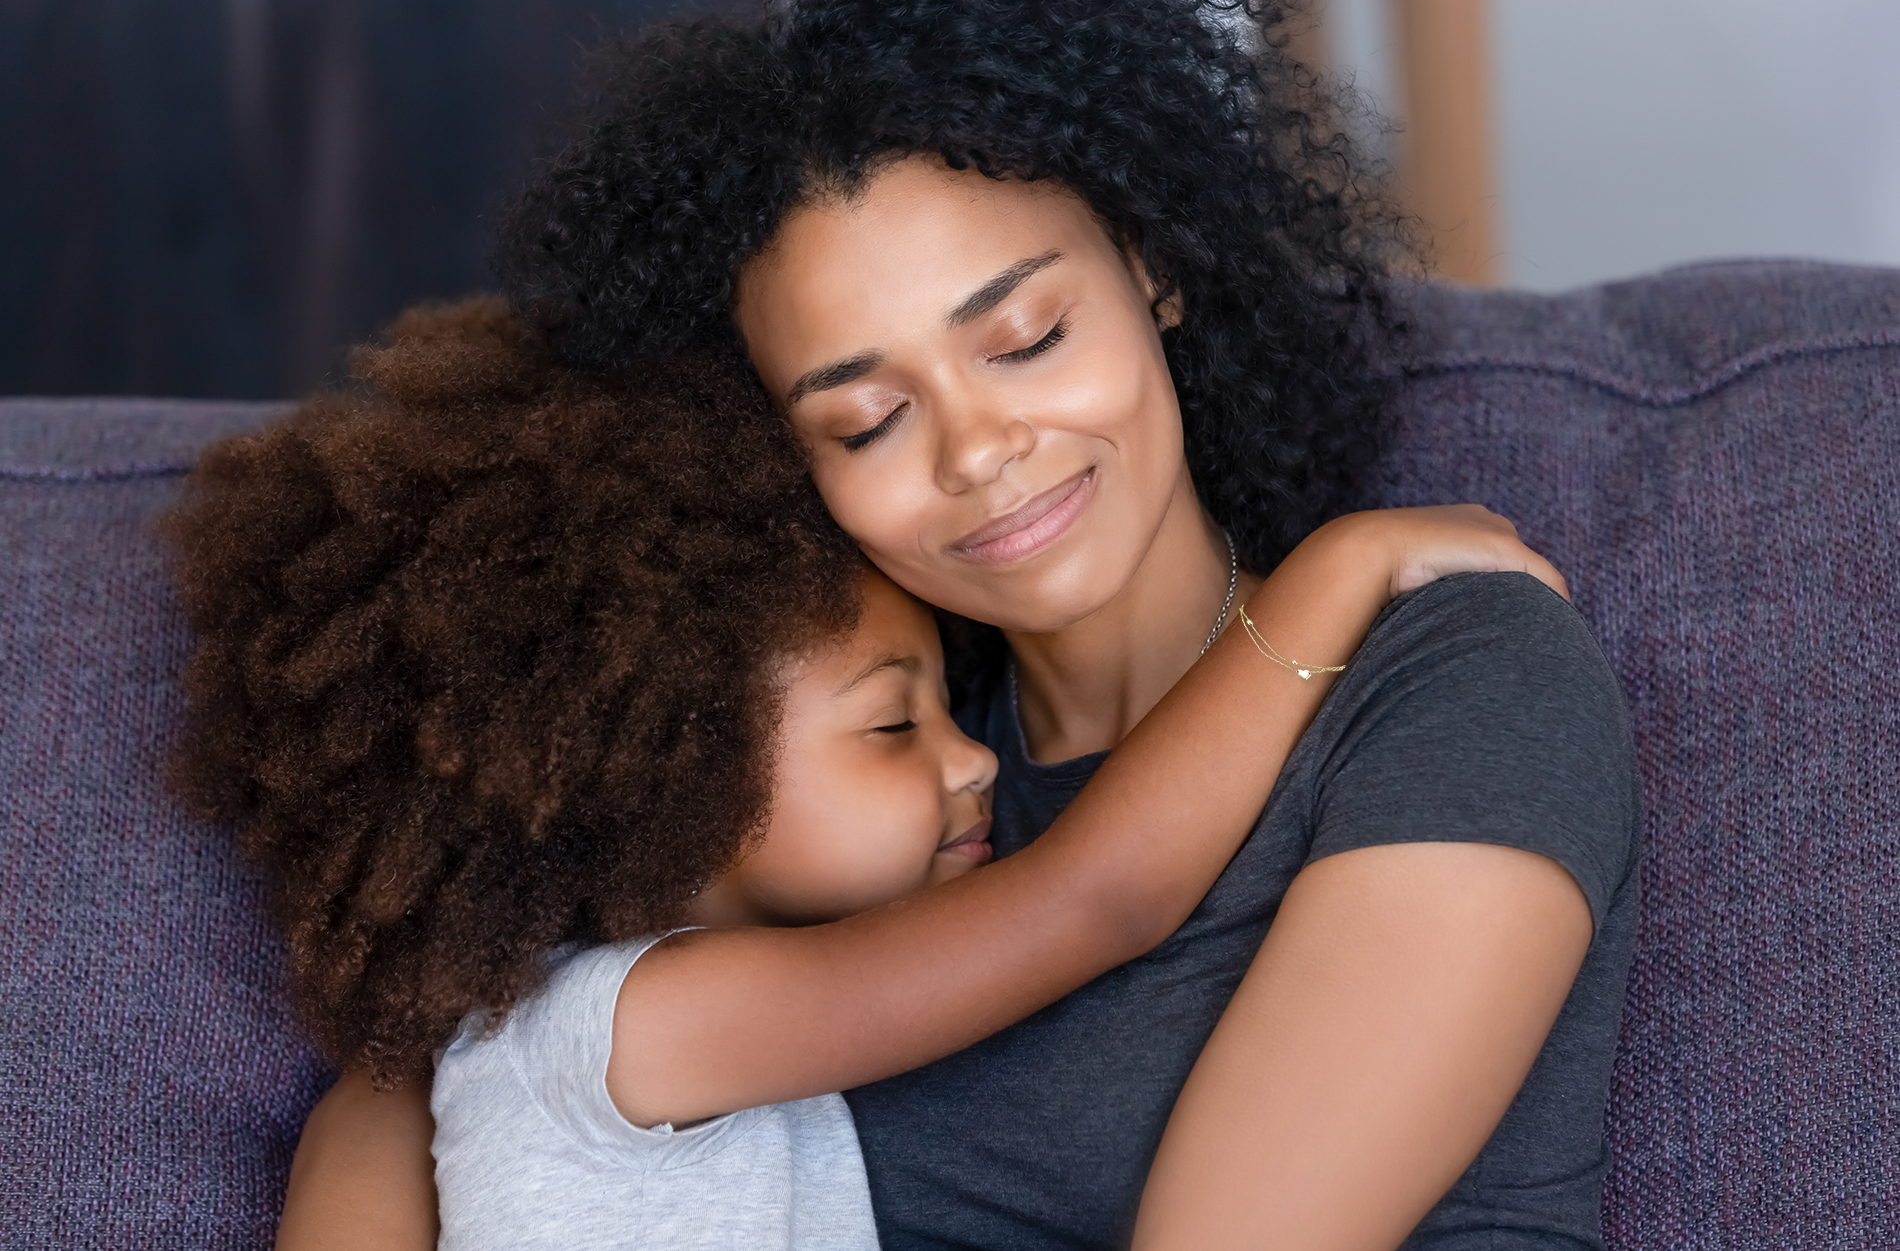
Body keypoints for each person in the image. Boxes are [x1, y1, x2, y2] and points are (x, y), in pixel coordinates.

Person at [282, 0, 1641, 1246]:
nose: (978, 448)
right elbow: (432, 1074)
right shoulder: (862, 770)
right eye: (869, 418)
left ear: (1152, 267)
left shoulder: (1460, 678)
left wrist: (1325, 585)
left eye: (1027, 336)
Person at [169, 297, 1557, 1249]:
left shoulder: (521, 1047)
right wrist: (1335, 572)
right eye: (894, 726)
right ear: (672, 784)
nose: (973, 762)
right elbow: (1096, 898)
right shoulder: (639, 1024)